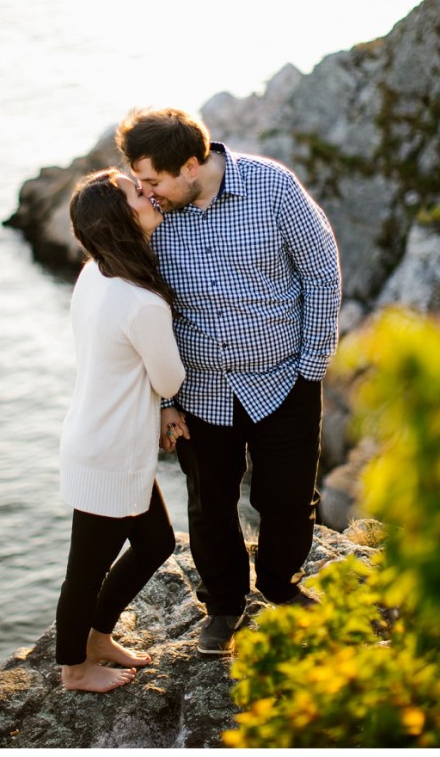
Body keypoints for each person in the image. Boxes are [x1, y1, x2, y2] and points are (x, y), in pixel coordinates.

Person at [115, 107, 341, 656]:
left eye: (153, 180)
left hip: (285, 378)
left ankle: (281, 586)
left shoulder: (272, 186)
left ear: (191, 165)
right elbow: (146, 306)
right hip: (199, 391)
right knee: (209, 503)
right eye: (140, 181)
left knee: (287, 499)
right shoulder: (152, 216)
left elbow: (322, 271)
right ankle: (224, 606)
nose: (145, 192)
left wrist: (311, 368)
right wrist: (166, 399)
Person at [55, 168, 188, 692]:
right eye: (138, 192)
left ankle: (96, 638)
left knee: (154, 542)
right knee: (85, 570)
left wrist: (155, 408)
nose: (149, 193)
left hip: (101, 440)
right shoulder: (140, 302)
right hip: (109, 452)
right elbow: (170, 377)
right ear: (122, 218)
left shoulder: (96, 274)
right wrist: (166, 404)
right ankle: (74, 669)